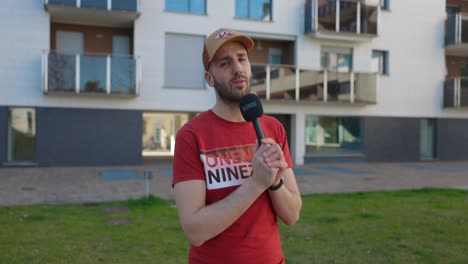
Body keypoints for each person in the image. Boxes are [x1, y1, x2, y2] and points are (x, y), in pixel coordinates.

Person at [172, 28, 302, 264]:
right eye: (225, 63)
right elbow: (195, 231)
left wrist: (274, 181)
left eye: (242, 59)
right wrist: (256, 182)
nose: (238, 68)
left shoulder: (273, 129)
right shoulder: (191, 136)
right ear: (209, 79)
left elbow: (292, 215)